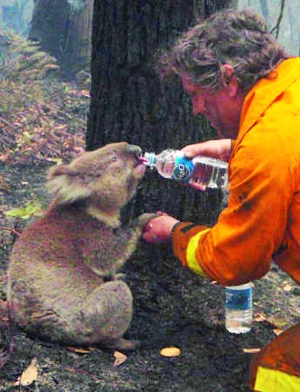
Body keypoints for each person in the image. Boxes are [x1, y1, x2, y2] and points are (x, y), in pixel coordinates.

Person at [142, 8, 300, 392]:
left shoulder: (265, 149)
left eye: (197, 95)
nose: (196, 109)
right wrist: (232, 149)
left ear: (228, 79)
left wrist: (175, 232)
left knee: (276, 371)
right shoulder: (291, 85)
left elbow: (235, 262)